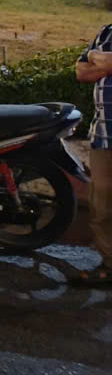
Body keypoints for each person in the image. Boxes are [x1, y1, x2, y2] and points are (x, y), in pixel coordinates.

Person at [75, 26, 112, 285]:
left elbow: (97, 63)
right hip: (104, 134)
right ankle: (110, 265)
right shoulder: (107, 33)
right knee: (102, 207)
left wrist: (95, 57)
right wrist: (105, 62)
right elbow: (81, 71)